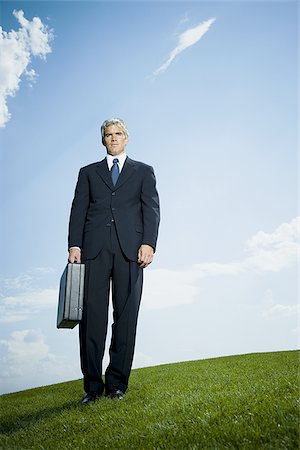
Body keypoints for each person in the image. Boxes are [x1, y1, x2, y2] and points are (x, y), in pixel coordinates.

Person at [68, 118, 160, 405]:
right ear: (103, 140)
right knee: (92, 319)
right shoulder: (88, 173)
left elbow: (152, 210)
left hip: (130, 251)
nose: (114, 138)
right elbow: (78, 209)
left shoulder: (144, 172)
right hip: (93, 251)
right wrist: (74, 244)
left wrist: (149, 243)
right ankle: (92, 388)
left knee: (126, 317)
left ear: (126, 138)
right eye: (109, 135)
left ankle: (117, 384)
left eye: (118, 134)